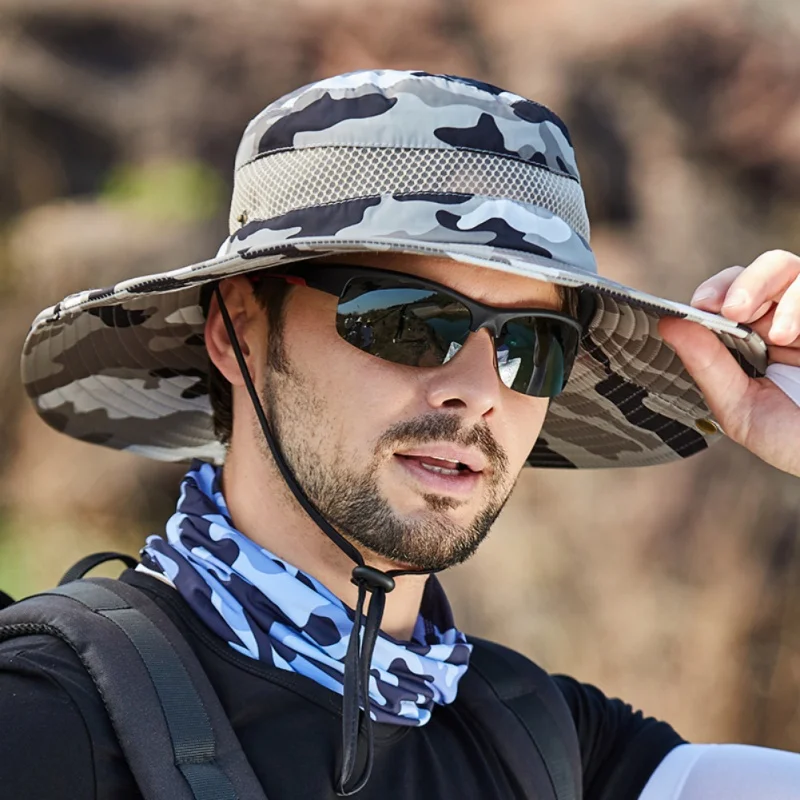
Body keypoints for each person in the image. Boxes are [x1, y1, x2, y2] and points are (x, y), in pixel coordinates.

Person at [2, 69, 799, 799]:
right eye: (408, 321)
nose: (479, 393)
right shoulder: (49, 723)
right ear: (237, 328)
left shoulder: (539, 740)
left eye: (532, 346)